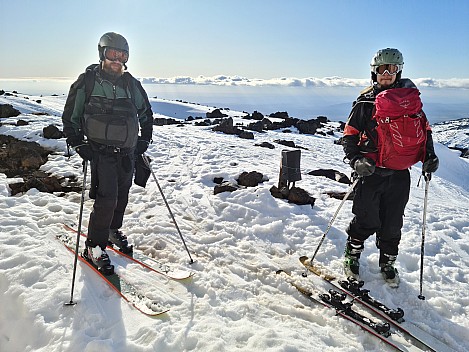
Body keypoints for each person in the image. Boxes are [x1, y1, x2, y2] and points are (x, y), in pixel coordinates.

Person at [341, 48, 439, 286]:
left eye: (391, 69)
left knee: (393, 222)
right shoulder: (365, 103)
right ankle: (352, 255)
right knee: (366, 218)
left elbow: (424, 131)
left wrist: (430, 156)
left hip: (399, 174)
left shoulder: (410, 103)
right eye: (381, 69)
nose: (386, 74)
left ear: (399, 71)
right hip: (370, 171)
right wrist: (356, 160)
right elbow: (349, 135)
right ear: (374, 73)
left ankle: (388, 262)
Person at [62, 32, 154, 273]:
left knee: (122, 196)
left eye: (122, 55)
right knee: (106, 199)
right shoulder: (88, 81)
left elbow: (145, 113)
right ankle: (94, 246)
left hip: (128, 152)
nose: (117, 60)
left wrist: (144, 139)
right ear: (102, 53)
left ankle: (112, 230)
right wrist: (78, 143)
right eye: (112, 54)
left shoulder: (130, 83)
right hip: (99, 152)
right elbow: (71, 116)